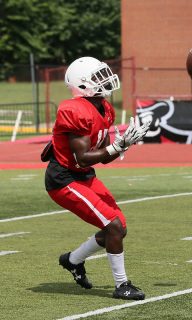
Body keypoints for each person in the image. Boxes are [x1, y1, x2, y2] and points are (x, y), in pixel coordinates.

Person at [43, 57, 150, 299]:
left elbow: (102, 158)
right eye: (98, 77)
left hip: (83, 174)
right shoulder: (74, 109)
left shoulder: (105, 108)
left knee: (118, 228)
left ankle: (72, 260)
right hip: (64, 179)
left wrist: (123, 146)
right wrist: (117, 146)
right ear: (82, 84)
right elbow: (82, 157)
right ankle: (122, 285)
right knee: (112, 226)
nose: (105, 80)